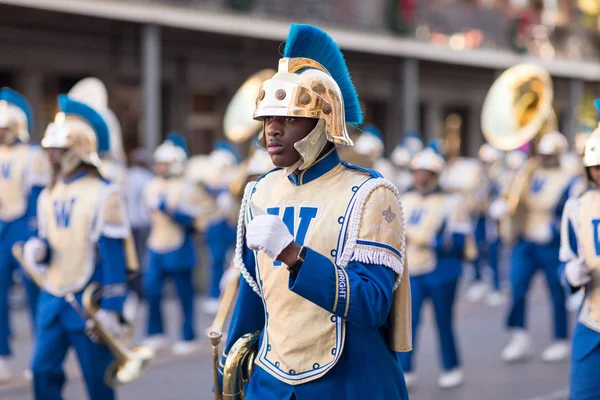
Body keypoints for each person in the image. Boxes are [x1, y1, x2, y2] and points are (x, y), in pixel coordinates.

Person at [220, 24, 411, 400]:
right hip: (270, 380)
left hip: (349, 381)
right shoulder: (259, 190)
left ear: (324, 123)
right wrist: (227, 375)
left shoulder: (370, 193)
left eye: (288, 118)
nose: (272, 130)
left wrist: (295, 257)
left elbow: (373, 304)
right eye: (268, 118)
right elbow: (254, 295)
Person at [24, 94, 129, 400]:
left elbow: (113, 253)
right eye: (51, 149)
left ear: (76, 151)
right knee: (42, 371)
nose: (52, 156)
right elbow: (50, 237)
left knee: (98, 382)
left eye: (58, 150)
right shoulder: (47, 194)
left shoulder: (104, 193)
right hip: (54, 298)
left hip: (89, 300)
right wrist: (39, 248)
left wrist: (112, 307)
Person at [501, 131, 586, 363]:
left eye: (550, 154)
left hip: (551, 243)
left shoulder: (571, 179)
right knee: (516, 286)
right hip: (527, 239)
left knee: (556, 291)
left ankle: (560, 338)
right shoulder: (530, 172)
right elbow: (518, 201)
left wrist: (554, 229)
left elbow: (574, 213)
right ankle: (519, 336)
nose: (546, 158)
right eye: (543, 154)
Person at [399, 147, 475, 389]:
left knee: (443, 322)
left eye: (427, 172)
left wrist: (427, 240)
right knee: (408, 323)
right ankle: (405, 369)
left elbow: (459, 242)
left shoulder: (451, 202)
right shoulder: (404, 199)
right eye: (417, 172)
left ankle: (451, 367)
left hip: (440, 271)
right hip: (412, 271)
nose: (421, 177)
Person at [0, 88, 51, 381]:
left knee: (34, 294)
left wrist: (34, 233)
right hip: (3, 225)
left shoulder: (33, 155)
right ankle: (2, 354)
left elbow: (35, 196)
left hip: (22, 225)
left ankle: (40, 354)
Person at [142, 133, 200, 355]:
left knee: (184, 293)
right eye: (159, 163)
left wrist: (170, 210)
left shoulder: (186, 187)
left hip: (179, 244)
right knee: (151, 289)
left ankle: (188, 335)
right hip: (156, 243)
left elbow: (193, 220)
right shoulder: (151, 185)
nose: (161, 167)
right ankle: (155, 333)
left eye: (165, 164)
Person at [560, 125, 600, 400]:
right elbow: (566, 261)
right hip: (593, 322)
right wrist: (569, 274)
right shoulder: (576, 207)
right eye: (597, 166)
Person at [474, 143, 505, 306]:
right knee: (478, 249)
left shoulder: (500, 175)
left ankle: (496, 287)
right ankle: (479, 281)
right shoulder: (478, 175)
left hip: (493, 220)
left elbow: (506, 195)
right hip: (480, 217)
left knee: (494, 253)